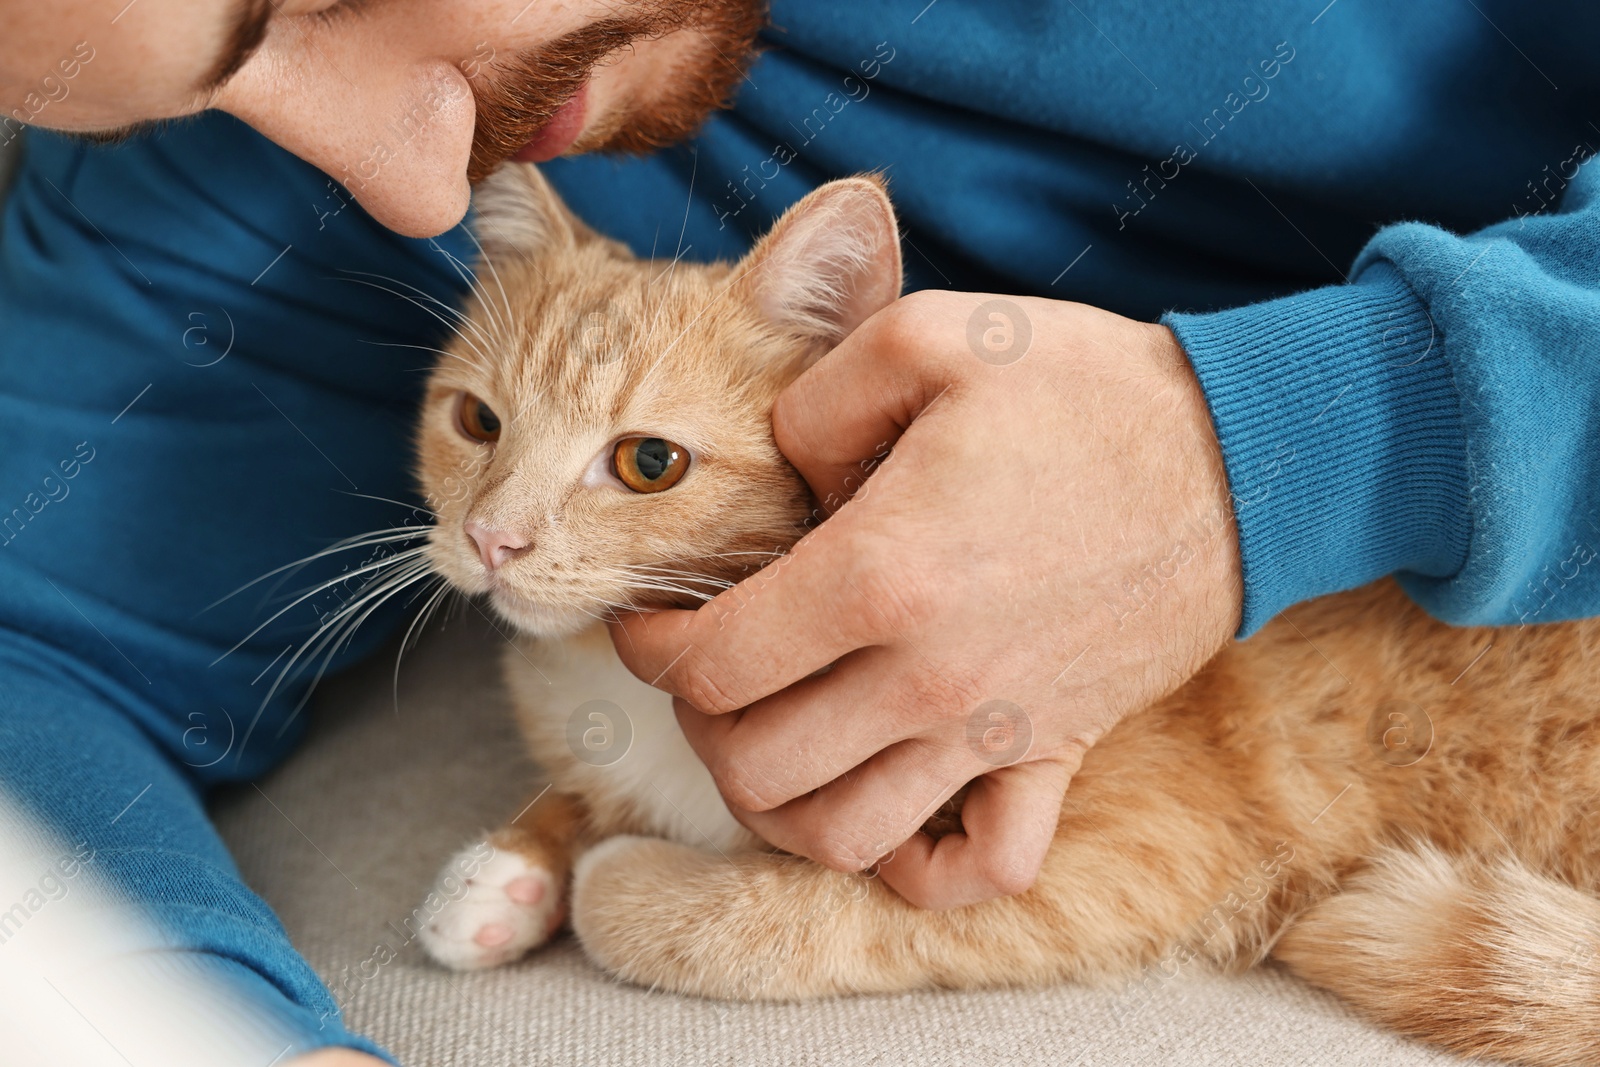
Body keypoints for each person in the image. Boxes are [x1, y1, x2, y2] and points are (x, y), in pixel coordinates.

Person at [2, 0, 1598, 1062]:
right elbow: (35, 656)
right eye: (211, 82)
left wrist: (1287, 438)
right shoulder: (289, 186)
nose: (408, 182)